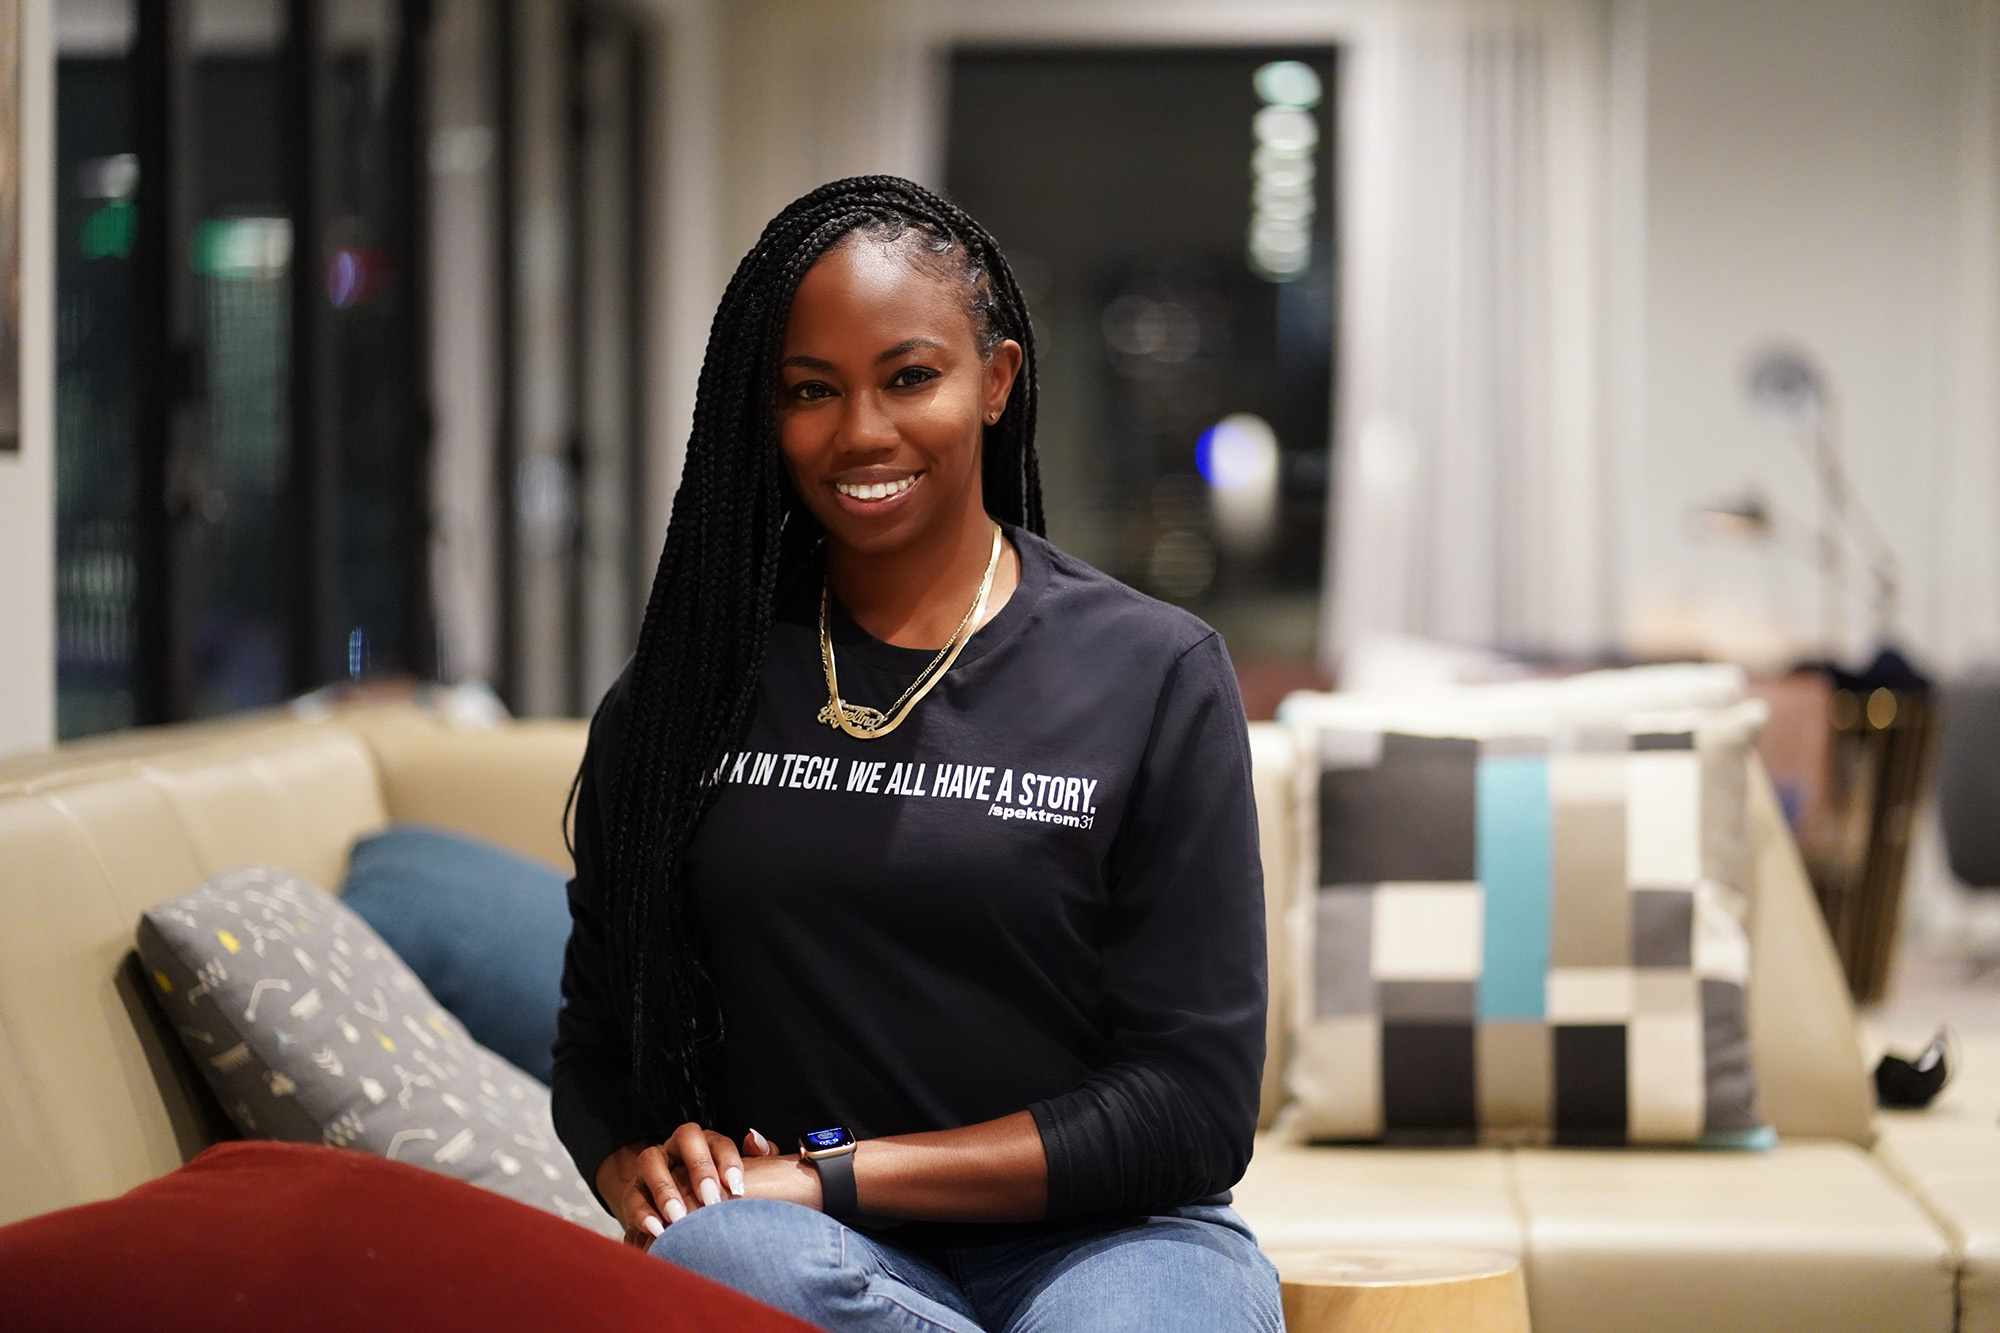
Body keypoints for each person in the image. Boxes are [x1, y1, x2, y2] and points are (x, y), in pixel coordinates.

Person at [553, 175, 1279, 1333]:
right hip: (796, 1245)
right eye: (809, 390)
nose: (860, 433)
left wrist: (838, 1169)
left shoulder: (1151, 672)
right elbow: (596, 1039)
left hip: (1114, 1244)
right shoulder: (686, 694)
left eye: (908, 377)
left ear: (994, 382)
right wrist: (629, 1158)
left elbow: (1191, 1105)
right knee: (721, 1252)